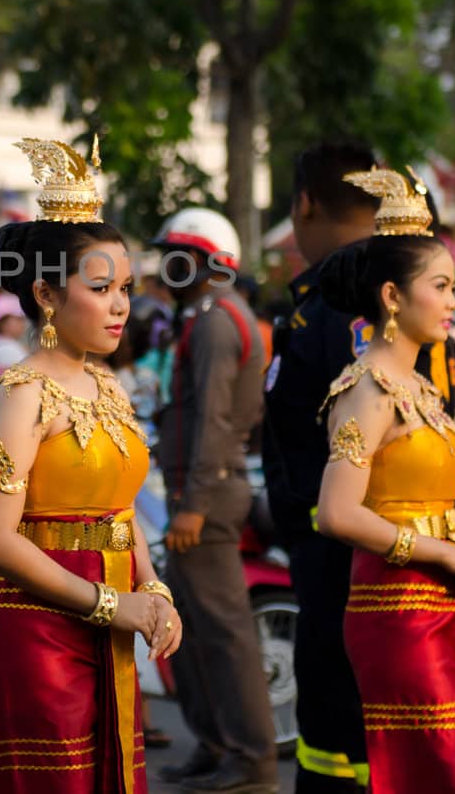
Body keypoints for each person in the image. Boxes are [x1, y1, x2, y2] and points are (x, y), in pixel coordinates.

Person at [0, 137, 181, 793]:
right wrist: (104, 602)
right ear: (47, 295)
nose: (122, 305)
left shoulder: (111, 387)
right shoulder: (21, 393)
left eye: (125, 288)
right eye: (101, 288)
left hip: (110, 608)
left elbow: (120, 507)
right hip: (38, 623)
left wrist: (154, 586)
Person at [315, 167, 455, 794]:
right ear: (394, 297)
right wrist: (444, 551)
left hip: (443, 595)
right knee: (433, 769)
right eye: (443, 286)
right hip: (396, 609)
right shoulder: (365, 390)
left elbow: (439, 497)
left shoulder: (421, 387)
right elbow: (338, 513)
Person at [259, 140, 381, 792]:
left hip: (344, 558)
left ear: (304, 203)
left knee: (341, 741)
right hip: (342, 553)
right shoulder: (388, 288)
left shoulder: (344, 299)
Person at [152, 205, 275, 793]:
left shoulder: (217, 320)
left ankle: (251, 760)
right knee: (194, 632)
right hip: (201, 489)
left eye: (179, 256)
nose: (167, 266)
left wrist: (194, 502)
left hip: (209, 492)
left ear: (209, 261)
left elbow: (216, 421)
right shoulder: (210, 313)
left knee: (224, 635)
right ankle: (216, 743)